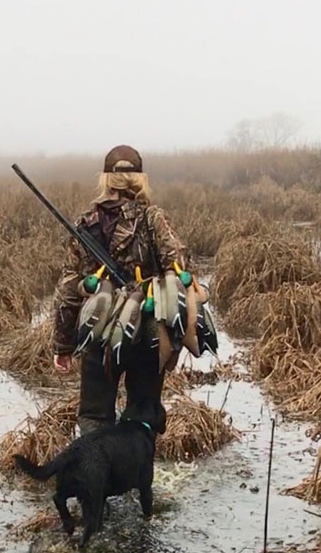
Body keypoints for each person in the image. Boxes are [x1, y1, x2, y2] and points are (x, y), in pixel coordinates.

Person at [52, 145, 189, 435]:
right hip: (146, 334)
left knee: (94, 416)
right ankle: (136, 477)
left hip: (97, 333)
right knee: (141, 414)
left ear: (105, 178)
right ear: (140, 178)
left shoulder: (85, 222)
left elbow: (68, 289)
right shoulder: (153, 218)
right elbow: (177, 271)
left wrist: (63, 346)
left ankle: (98, 472)